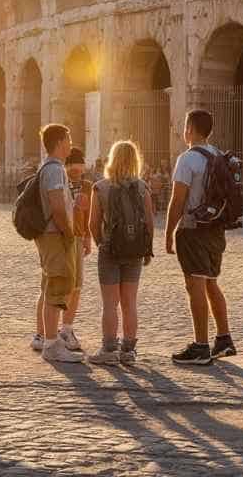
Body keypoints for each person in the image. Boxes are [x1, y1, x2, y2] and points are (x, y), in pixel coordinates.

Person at [166, 109, 236, 366]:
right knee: (210, 282)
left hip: (193, 228)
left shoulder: (187, 159)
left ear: (191, 129)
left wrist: (169, 232)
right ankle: (224, 338)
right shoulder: (219, 156)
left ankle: (201, 345)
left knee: (194, 285)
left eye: (185, 127)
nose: (184, 131)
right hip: (216, 228)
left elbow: (177, 200)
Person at [88, 140, 154, 366]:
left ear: (112, 159)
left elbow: (92, 223)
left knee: (109, 303)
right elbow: (149, 222)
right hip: (134, 250)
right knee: (130, 302)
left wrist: (101, 243)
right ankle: (128, 350)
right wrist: (146, 249)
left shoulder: (101, 187)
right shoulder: (143, 187)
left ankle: (108, 349)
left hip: (110, 250)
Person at [32, 124, 85, 363]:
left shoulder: (52, 168)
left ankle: (51, 339)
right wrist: (69, 233)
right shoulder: (54, 170)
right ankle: (51, 344)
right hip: (55, 234)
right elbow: (57, 206)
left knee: (53, 284)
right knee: (57, 284)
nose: (71, 144)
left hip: (52, 234)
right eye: (69, 138)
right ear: (60, 141)